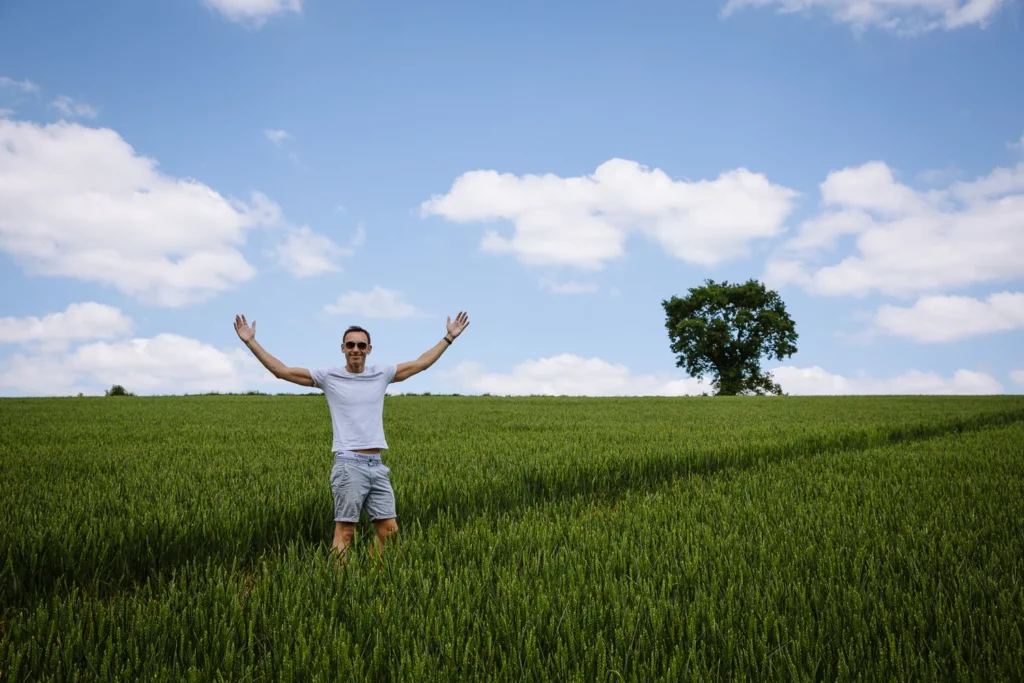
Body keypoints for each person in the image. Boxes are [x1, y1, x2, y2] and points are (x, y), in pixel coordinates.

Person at [233, 311, 470, 564]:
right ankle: (340, 585)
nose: (355, 349)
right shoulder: (328, 377)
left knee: (389, 530)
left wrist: (449, 337)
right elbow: (281, 371)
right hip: (348, 465)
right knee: (346, 531)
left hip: (377, 466)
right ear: (343, 348)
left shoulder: (382, 373)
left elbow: (420, 363)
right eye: (350, 345)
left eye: (361, 345)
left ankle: (370, 579)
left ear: (369, 349)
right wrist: (250, 342)